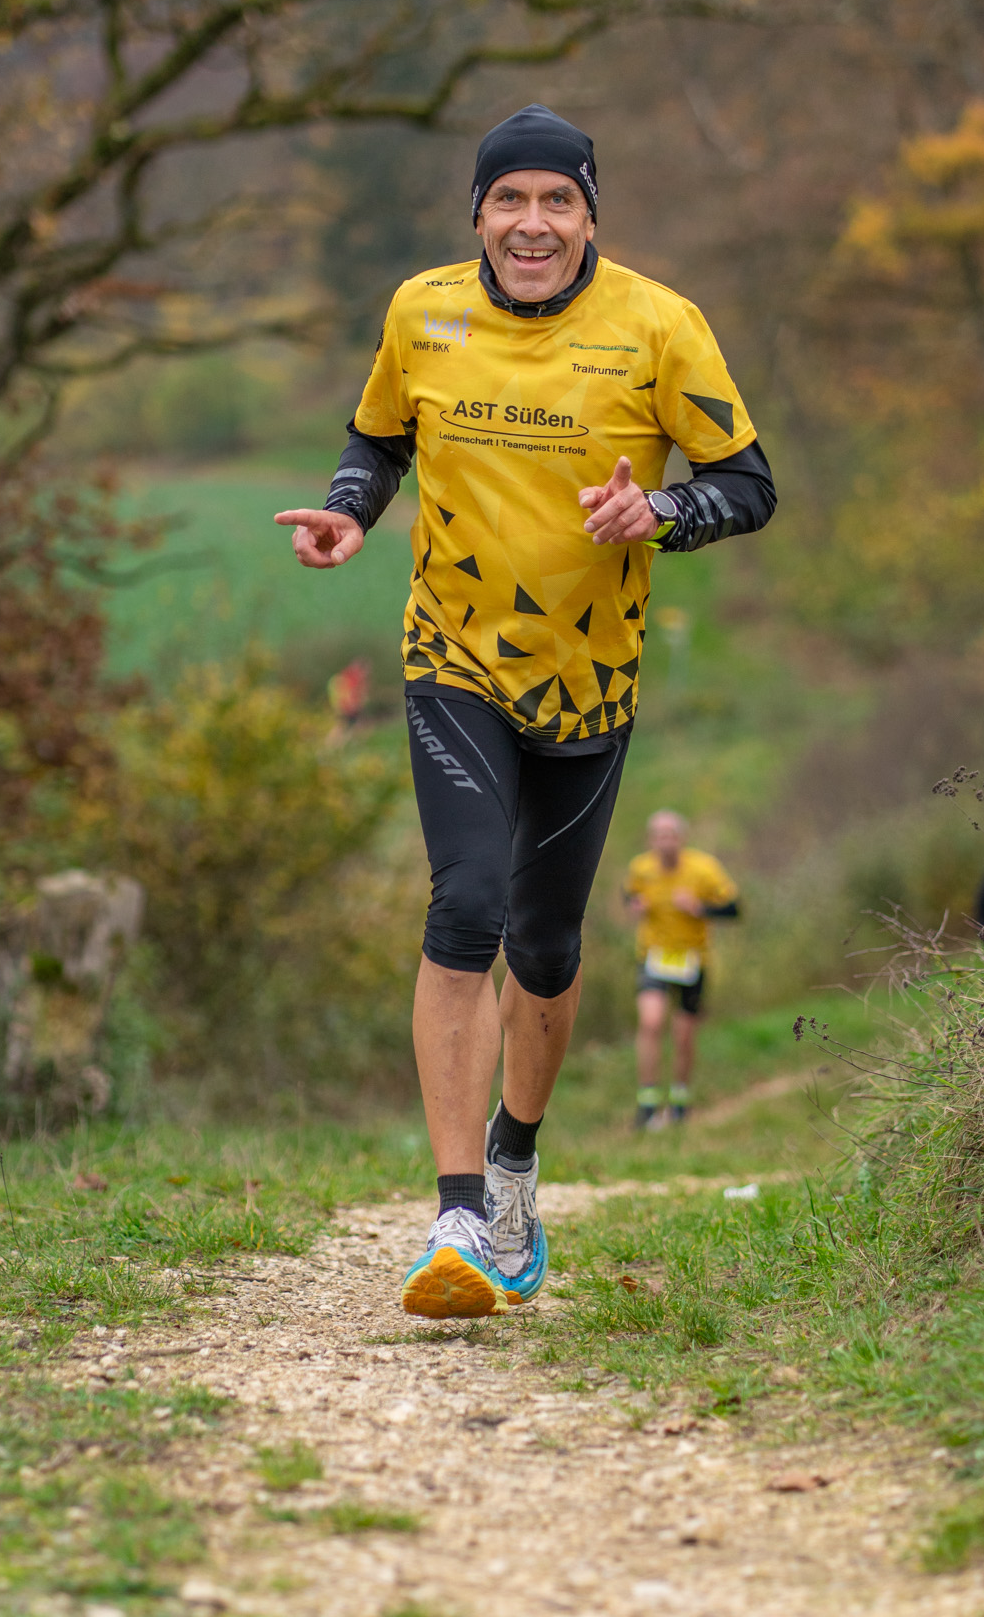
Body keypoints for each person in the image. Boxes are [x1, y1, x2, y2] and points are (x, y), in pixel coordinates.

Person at [275, 103, 776, 1317]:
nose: (533, 222)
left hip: (589, 681)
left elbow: (749, 483)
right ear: (479, 214)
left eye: (559, 200)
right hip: (453, 655)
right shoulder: (423, 310)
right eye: (510, 199)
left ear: (591, 215)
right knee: (467, 903)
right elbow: (377, 438)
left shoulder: (660, 325)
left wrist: (661, 512)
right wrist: (350, 507)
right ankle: (455, 1213)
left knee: (546, 947)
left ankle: (512, 1163)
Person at [624, 810, 738, 1128]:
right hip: (653, 956)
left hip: (692, 960)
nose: (665, 842)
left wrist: (700, 908)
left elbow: (733, 908)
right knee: (650, 1022)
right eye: (659, 836)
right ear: (650, 840)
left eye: (671, 835)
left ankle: (679, 1100)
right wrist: (635, 905)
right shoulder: (641, 868)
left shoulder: (704, 868)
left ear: (682, 838)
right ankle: (647, 1102)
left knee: (684, 1035)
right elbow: (629, 894)